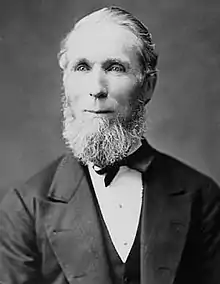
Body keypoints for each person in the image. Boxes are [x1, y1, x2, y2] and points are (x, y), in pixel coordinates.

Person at [0, 6, 220, 284]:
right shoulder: (25, 207)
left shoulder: (201, 197)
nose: (97, 88)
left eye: (115, 68)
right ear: (65, 83)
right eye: (82, 67)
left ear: (148, 86)